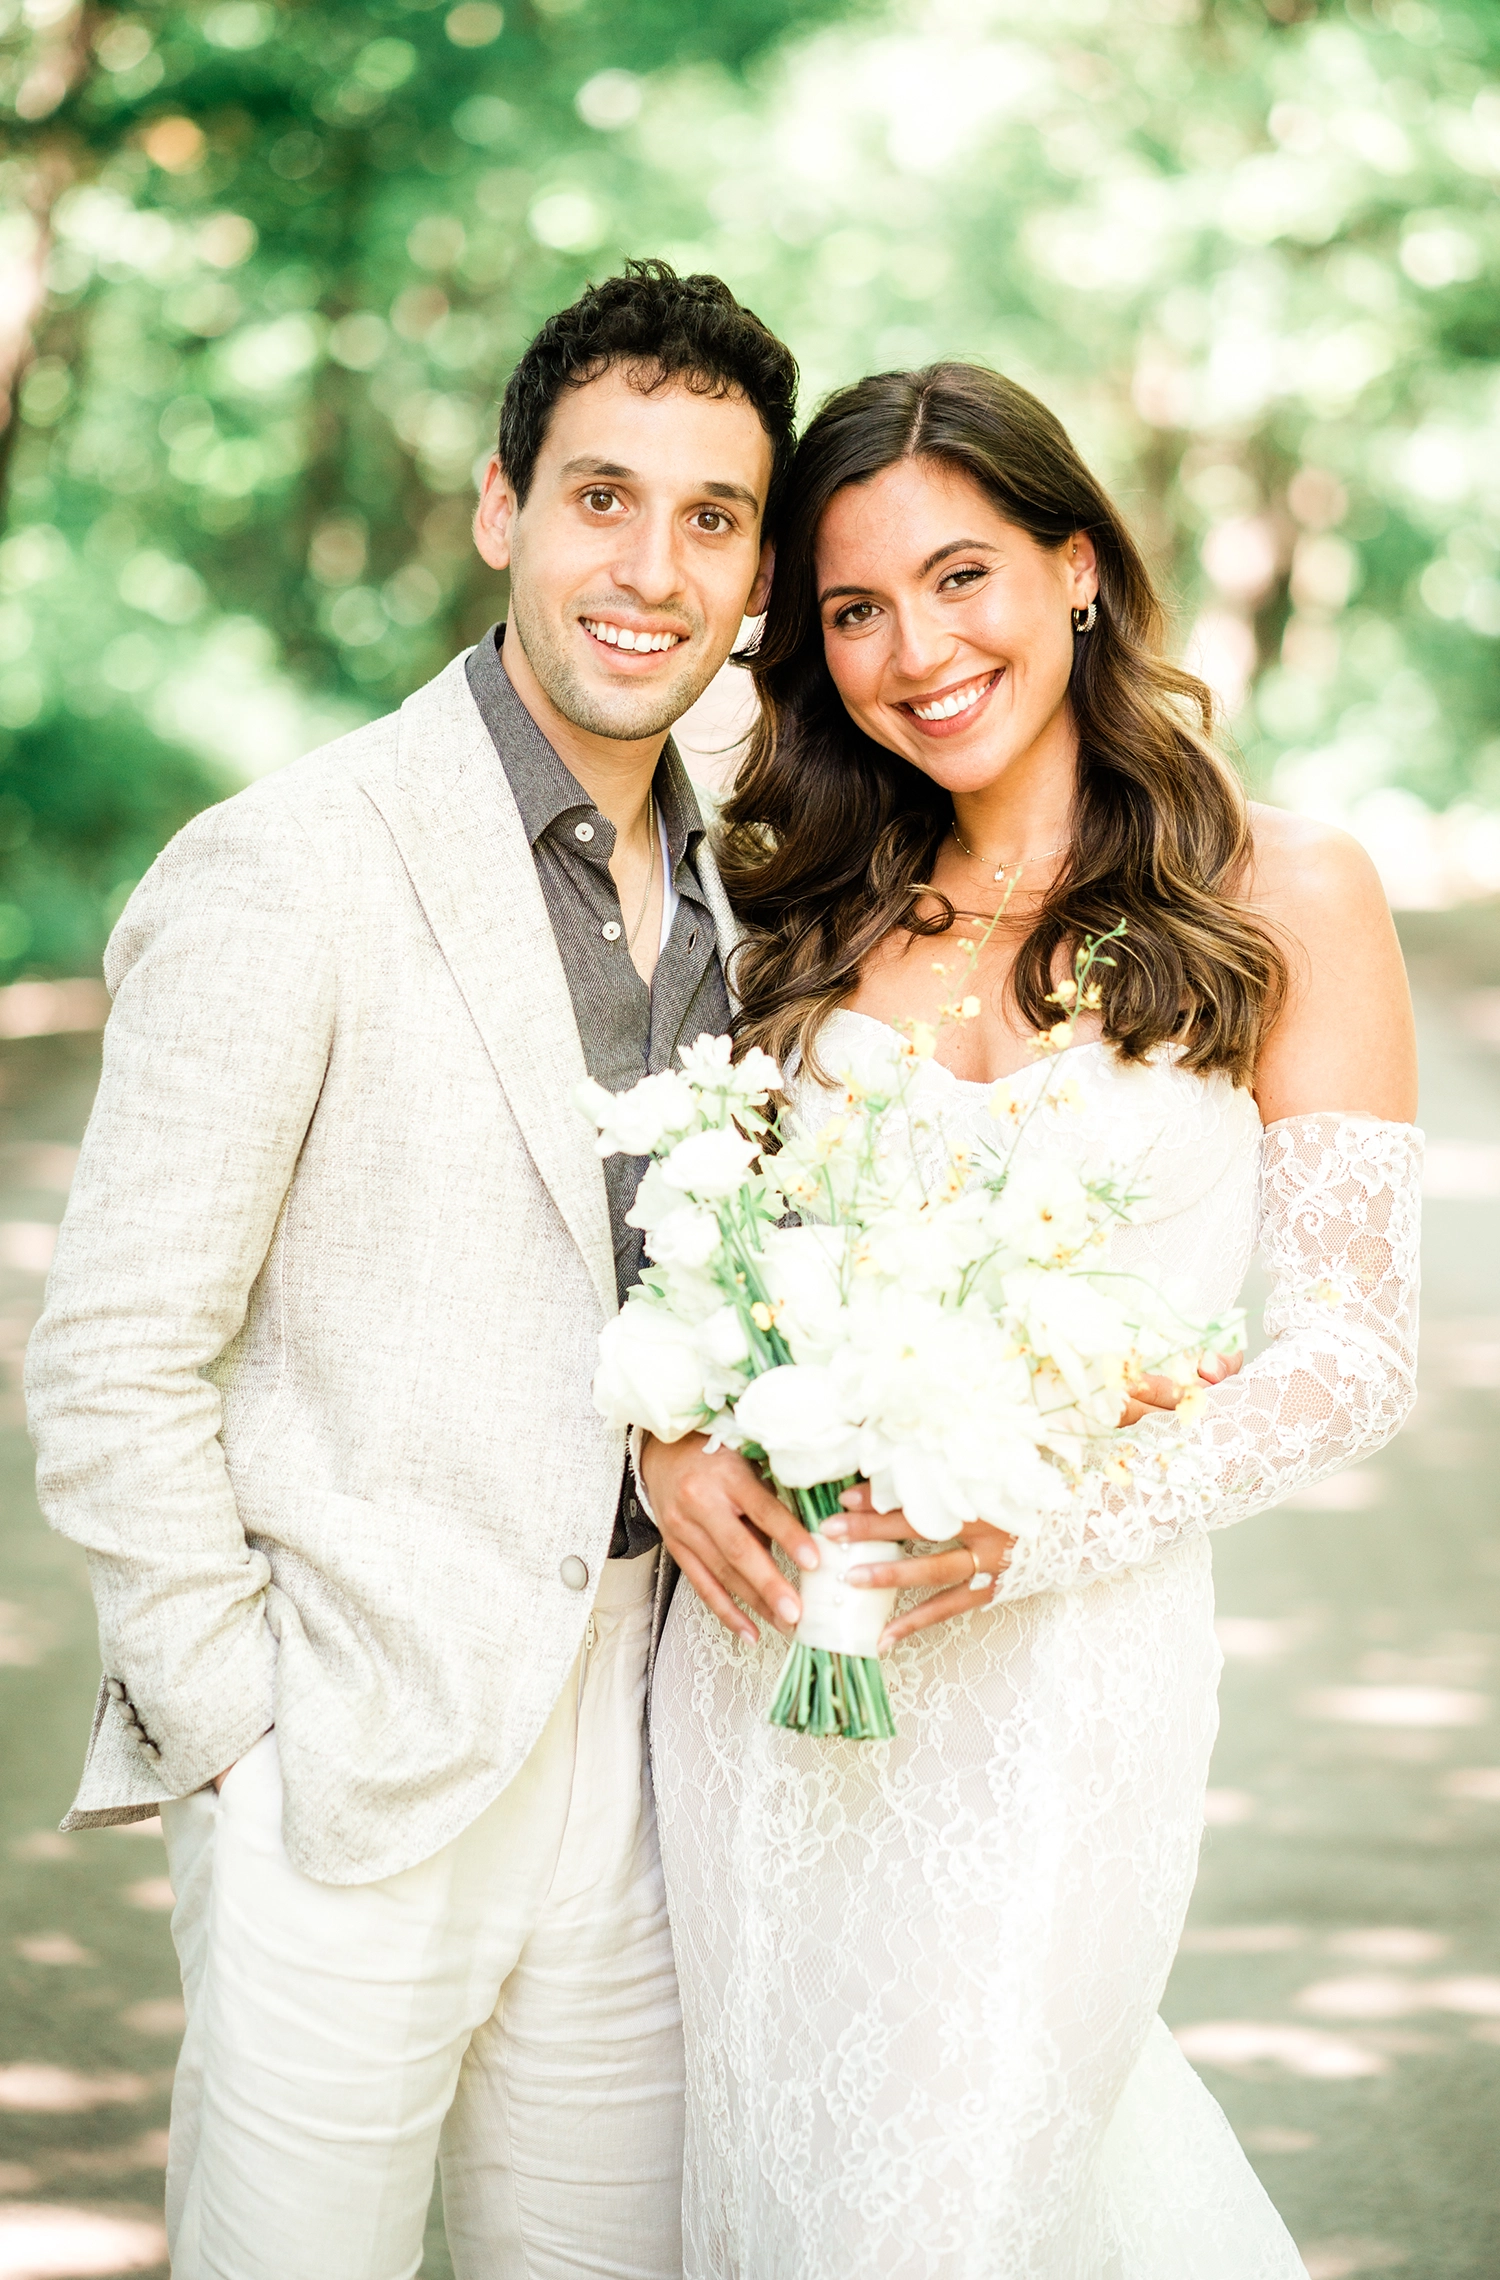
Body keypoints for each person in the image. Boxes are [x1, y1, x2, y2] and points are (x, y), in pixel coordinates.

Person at [25, 260, 798, 2280]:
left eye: (711, 517)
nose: (652, 564)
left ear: (760, 567)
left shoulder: (755, 890)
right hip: (346, 1772)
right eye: (601, 496)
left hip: (646, 1763)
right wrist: (238, 1734)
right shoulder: (295, 859)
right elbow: (114, 1350)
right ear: (500, 511)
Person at [640, 363, 1421, 2277]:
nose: (918, 649)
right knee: (786, 2176)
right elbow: (678, 1246)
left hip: (1066, 1680)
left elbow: (1357, 1349)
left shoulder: (1283, 885)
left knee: (976, 2175)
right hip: (767, 1676)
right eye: (853, 609)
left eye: (965, 574)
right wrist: (667, 1429)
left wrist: (1045, 1525)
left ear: (1077, 569)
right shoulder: (795, 900)